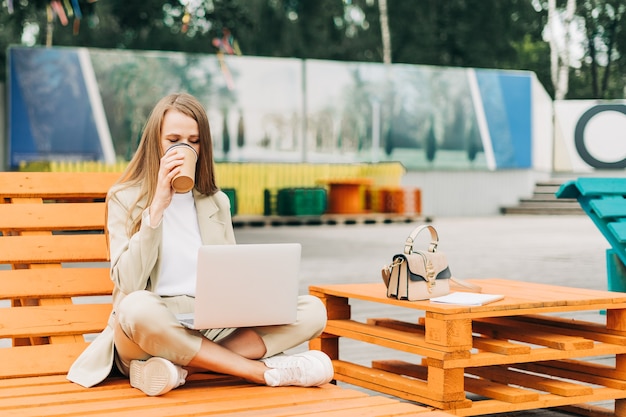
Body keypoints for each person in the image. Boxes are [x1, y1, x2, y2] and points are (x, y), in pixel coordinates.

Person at [67, 92, 333, 396]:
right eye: (173, 139)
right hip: (148, 331)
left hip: (211, 325)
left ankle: (180, 370)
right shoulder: (124, 197)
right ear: (156, 141)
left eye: (193, 140)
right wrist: (156, 209)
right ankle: (258, 371)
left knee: (312, 310)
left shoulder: (216, 202)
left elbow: (229, 276)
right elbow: (128, 281)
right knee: (135, 306)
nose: (184, 148)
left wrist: (254, 296)